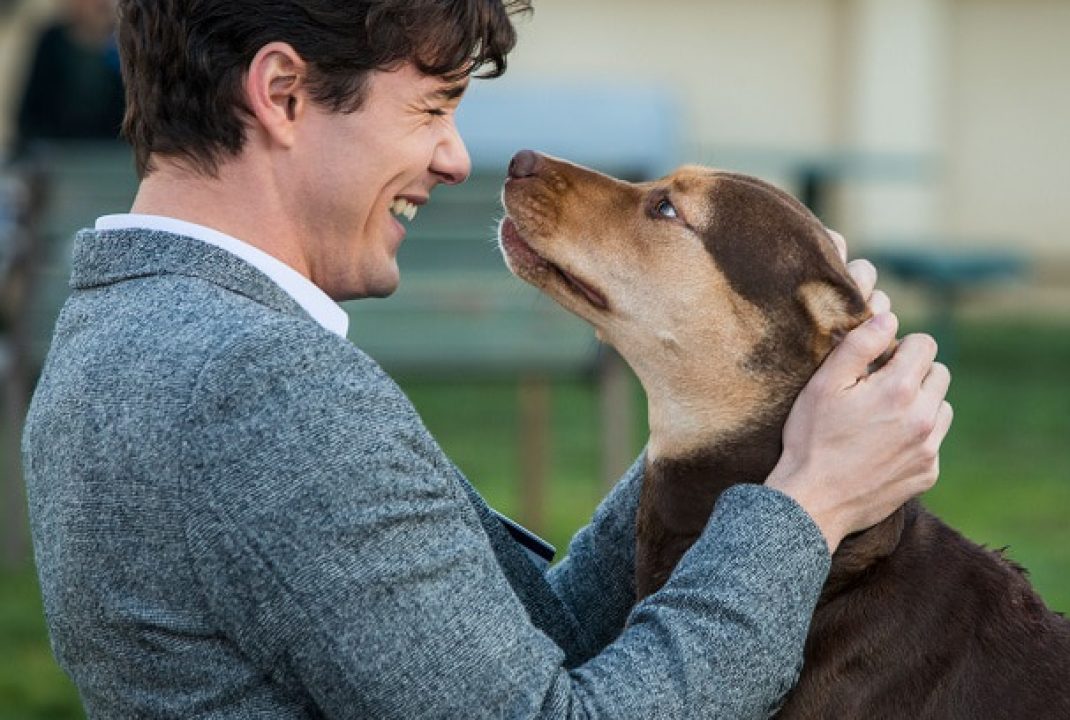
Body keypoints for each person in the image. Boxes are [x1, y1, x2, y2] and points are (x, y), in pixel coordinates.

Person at [22, 0, 953, 717]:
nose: (456, 157)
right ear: (282, 93)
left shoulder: (127, 329)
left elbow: (522, 654)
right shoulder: (255, 387)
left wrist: (744, 393)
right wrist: (808, 507)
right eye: (431, 107)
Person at [14, 0, 125, 150]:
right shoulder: (52, 42)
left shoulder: (125, 44)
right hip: (57, 154)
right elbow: (29, 117)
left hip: (113, 156)